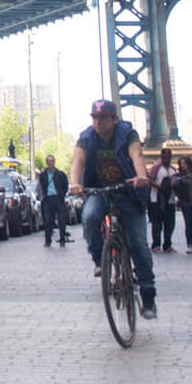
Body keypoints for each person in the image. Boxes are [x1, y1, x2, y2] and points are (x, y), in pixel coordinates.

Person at [68, 98, 157, 319]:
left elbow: (136, 155)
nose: (98, 122)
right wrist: (75, 183)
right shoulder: (86, 137)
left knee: (138, 243)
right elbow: (77, 162)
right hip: (99, 190)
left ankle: (148, 295)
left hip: (128, 191)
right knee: (89, 216)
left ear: (114, 119)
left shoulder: (126, 133)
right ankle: (100, 260)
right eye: (95, 118)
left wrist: (142, 176)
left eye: (103, 118)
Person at [34, 152, 69, 247]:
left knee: (62, 220)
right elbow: (40, 187)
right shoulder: (43, 175)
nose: (50, 163)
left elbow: (65, 185)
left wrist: (62, 194)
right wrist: (42, 196)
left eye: (52, 161)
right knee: (47, 221)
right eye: (48, 161)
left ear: (54, 162)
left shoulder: (60, 174)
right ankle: (48, 240)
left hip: (58, 199)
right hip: (47, 199)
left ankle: (62, 240)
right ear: (46, 163)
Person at [149, 146, 178, 253]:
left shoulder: (173, 169)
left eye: (169, 157)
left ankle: (167, 244)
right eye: (165, 157)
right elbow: (150, 180)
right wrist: (160, 187)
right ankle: (156, 244)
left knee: (170, 223)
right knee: (157, 223)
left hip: (170, 200)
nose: (167, 159)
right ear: (161, 157)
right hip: (157, 200)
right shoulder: (156, 168)